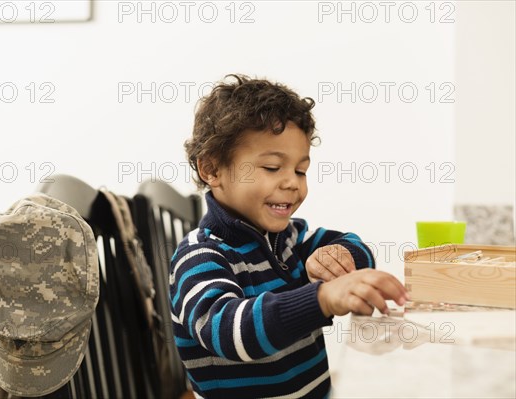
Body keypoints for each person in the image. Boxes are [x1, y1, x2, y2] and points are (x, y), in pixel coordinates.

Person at [170, 74, 409, 398]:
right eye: (272, 167)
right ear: (212, 169)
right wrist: (323, 297)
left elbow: (356, 246)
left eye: (300, 170)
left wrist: (340, 257)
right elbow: (229, 332)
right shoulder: (200, 256)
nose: (292, 183)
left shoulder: (293, 237)